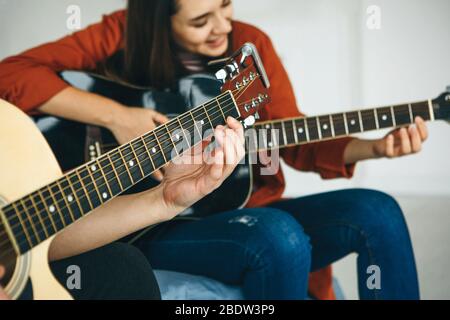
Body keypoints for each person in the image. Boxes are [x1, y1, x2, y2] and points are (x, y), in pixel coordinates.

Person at [0, 0, 427, 300]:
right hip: (149, 219)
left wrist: (374, 148)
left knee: (378, 210)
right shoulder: (122, 33)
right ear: (159, 18)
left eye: (226, 5)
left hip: (241, 208)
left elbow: (289, 137)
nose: (222, 26)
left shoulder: (248, 46)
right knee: (277, 235)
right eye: (201, 19)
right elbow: (11, 74)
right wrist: (116, 116)